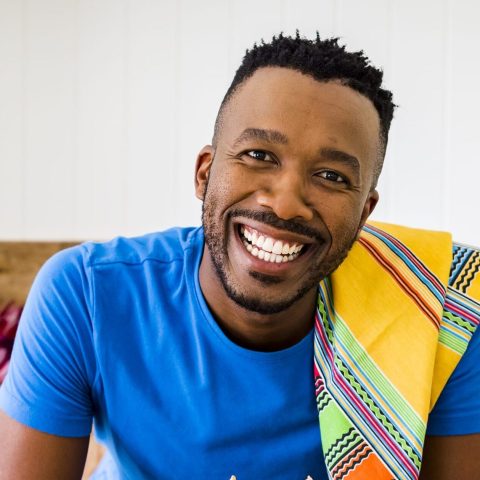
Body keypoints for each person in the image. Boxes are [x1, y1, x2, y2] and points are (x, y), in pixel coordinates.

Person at [0, 32, 479, 480]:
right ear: (204, 173)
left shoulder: (441, 316)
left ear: (364, 213)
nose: (285, 204)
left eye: (332, 176)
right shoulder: (86, 295)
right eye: (259, 155)